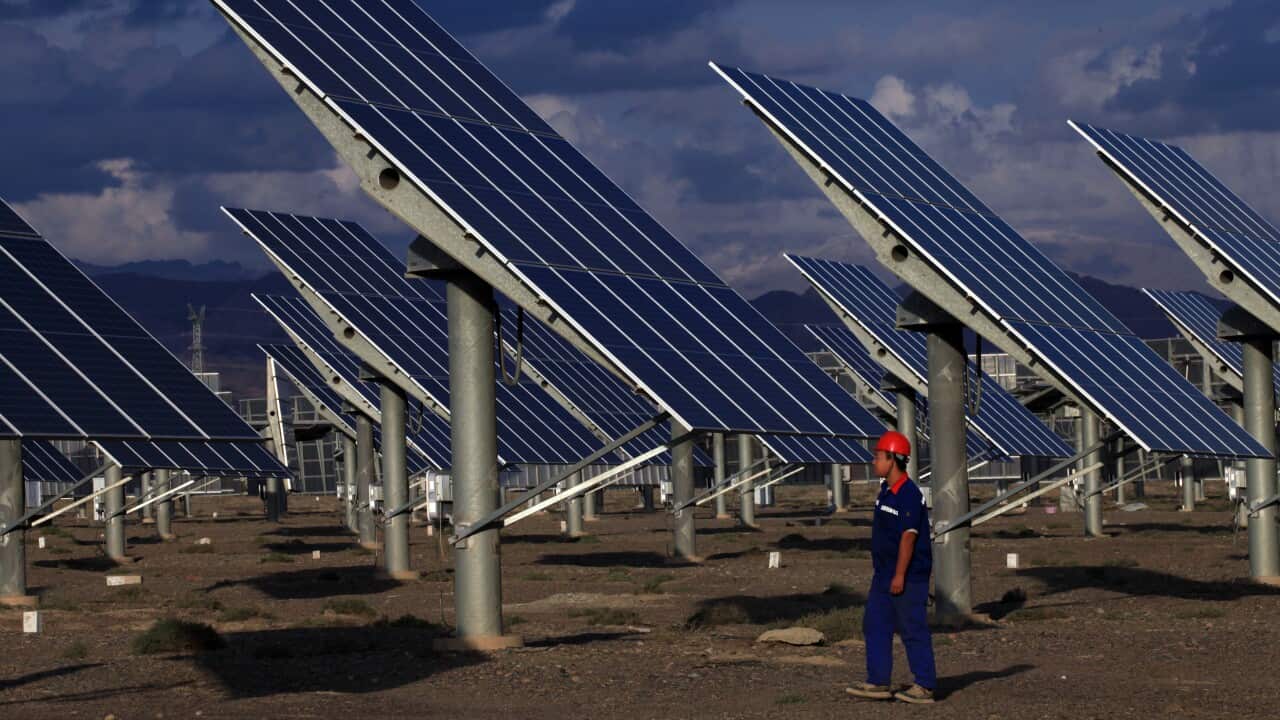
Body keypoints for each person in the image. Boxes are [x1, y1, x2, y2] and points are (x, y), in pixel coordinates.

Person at [846, 430, 937, 704]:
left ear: (893, 459)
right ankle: (878, 681)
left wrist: (899, 574)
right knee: (875, 624)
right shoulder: (885, 491)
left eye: (878, 456)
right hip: (884, 573)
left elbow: (909, 536)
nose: (874, 461)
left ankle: (925, 685)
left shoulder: (909, 494)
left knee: (912, 628)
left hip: (907, 575)